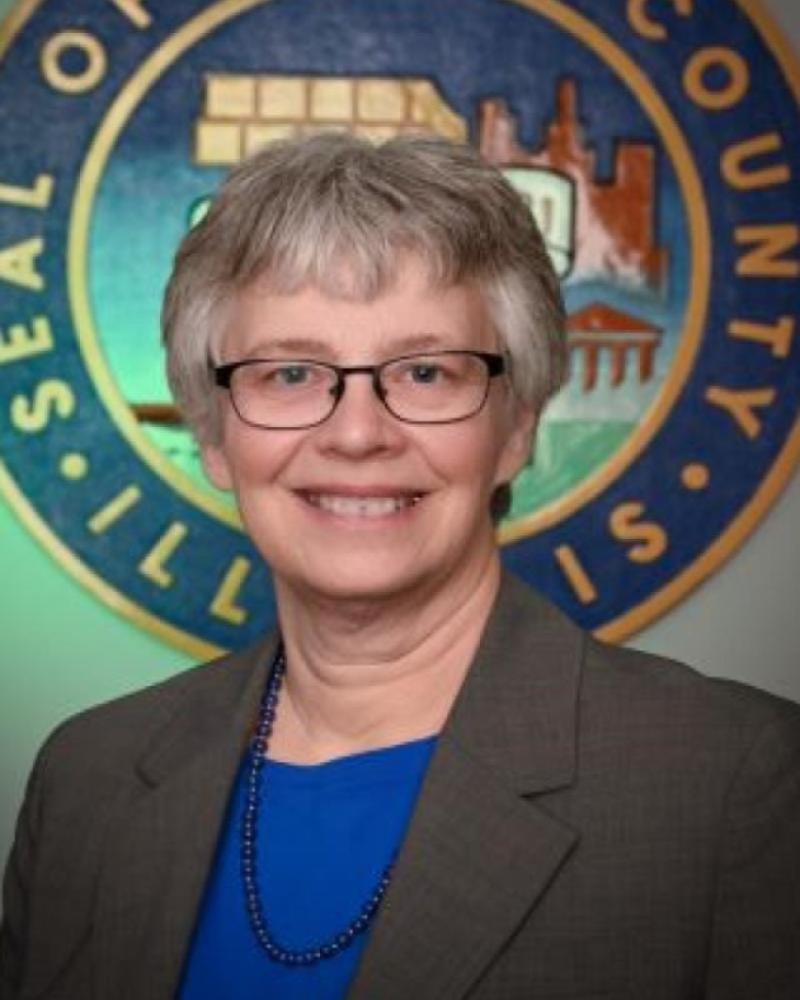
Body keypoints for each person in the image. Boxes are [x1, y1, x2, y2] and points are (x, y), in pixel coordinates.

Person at [1, 133, 799, 1000]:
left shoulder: (734, 781)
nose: (356, 433)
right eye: (291, 373)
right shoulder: (88, 780)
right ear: (211, 432)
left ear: (519, 426)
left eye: (425, 371)